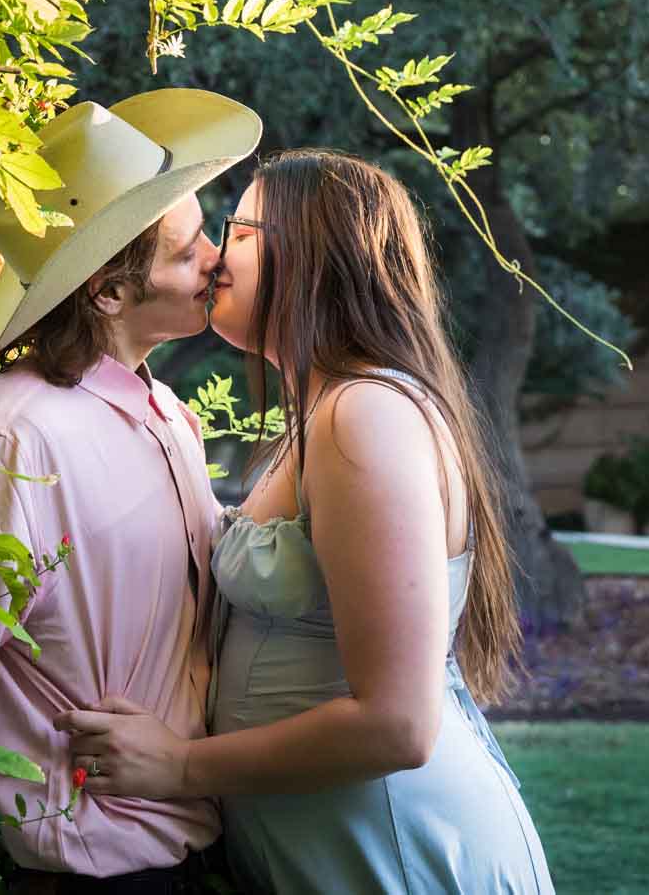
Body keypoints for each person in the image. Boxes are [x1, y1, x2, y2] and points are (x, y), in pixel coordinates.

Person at [55, 149, 555, 894]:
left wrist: (181, 765)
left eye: (242, 232)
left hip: (398, 855)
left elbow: (397, 724)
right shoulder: (322, 415)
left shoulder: (368, 415)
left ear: (314, 255)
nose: (216, 257)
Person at [0, 90, 261, 892]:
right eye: (186, 253)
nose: (217, 261)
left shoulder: (166, 417)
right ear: (107, 291)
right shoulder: (16, 441)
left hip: (199, 860)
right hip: (94, 877)